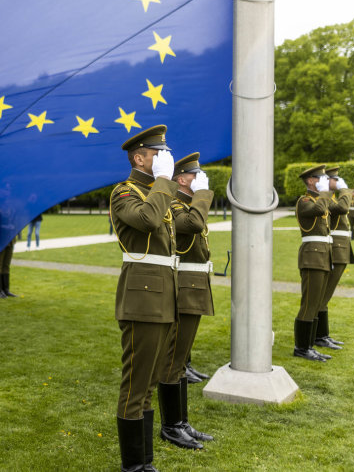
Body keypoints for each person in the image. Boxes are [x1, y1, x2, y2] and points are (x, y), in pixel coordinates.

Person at [110, 124, 183, 470]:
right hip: (142, 299)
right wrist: (165, 182)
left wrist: (163, 184)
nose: (164, 159)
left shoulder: (156, 191)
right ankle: (133, 465)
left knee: (150, 382)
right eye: (158, 154)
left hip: (162, 296)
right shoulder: (125, 193)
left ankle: (145, 462)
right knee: (136, 384)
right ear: (139, 158)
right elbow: (150, 220)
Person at [158, 152, 215, 449]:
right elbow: (192, 225)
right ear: (181, 179)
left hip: (193, 286)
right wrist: (203, 194)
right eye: (195, 175)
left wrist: (200, 196)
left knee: (180, 362)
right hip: (182, 288)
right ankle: (170, 426)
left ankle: (181, 422)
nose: (200, 179)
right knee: (173, 360)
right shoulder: (173, 204)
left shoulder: (188, 204)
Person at [293, 165, 333, 362]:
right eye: (320, 178)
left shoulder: (319, 200)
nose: (324, 181)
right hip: (312, 257)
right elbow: (318, 210)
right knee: (309, 303)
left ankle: (310, 345)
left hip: (323, 256)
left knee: (316, 302)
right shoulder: (305, 201)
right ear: (310, 180)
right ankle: (301, 347)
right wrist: (325, 192)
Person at [316, 166, 354, 350]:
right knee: (323, 295)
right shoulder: (326, 200)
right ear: (327, 181)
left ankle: (323, 335)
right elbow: (344, 207)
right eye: (335, 180)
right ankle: (319, 337)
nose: (338, 183)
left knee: (326, 295)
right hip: (336, 249)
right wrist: (345, 190)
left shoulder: (329, 199)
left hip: (342, 248)